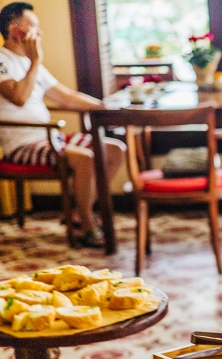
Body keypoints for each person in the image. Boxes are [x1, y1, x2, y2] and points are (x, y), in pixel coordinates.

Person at [0, 2, 124, 248]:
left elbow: (65, 96)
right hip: (22, 144)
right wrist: (36, 61)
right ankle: (88, 227)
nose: (40, 33)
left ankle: (79, 213)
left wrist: (104, 106)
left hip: (49, 138)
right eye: (34, 26)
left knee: (114, 149)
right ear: (16, 31)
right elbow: (19, 97)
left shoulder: (31, 63)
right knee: (84, 158)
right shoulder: (5, 61)